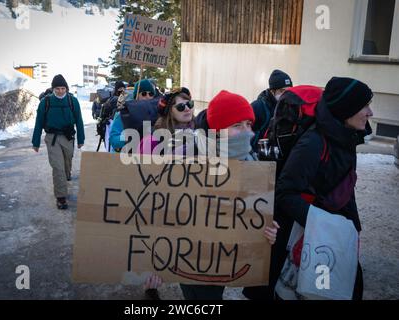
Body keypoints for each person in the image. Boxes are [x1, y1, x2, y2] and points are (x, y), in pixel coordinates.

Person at [144, 90, 280, 300]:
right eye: (237, 125)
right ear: (217, 131)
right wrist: (155, 261)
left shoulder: (251, 161)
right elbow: (160, 208)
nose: (247, 132)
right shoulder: (187, 155)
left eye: (249, 124)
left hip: (225, 258)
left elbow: (252, 211)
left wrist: (266, 228)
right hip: (189, 256)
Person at [273, 77, 374, 300]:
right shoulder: (314, 143)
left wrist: (352, 226)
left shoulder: (346, 136)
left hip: (336, 234)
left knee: (342, 288)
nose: (370, 113)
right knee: (321, 290)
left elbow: (344, 187)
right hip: (317, 240)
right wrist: (325, 223)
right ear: (346, 109)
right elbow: (285, 193)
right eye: (364, 106)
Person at [32, 74, 85, 210]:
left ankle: (67, 174)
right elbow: (38, 122)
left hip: (68, 137)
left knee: (67, 162)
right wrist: (36, 141)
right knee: (58, 167)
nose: (60, 91)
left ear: (66, 88)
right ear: (53, 88)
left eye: (63, 88)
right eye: (57, 88)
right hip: (52, 138)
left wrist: (81, 139)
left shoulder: (72, 101)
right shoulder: (46, 102)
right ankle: (61, 198)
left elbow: (79, 120)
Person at [251, 69, 293, 151]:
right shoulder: (258, 107)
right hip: (257, 157)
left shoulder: (289, 108)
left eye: (289, 91)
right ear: (272, 91)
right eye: (282, 91)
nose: (285, 95)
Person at [109, 79, 156, 152]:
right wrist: (128, 136)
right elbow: (113, 140)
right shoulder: (125, 113)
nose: (147, 97)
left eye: (151, 94)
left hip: (149, 159)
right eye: (143, 94)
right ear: (136, 96)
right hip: (127, 158)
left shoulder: (156, 114)